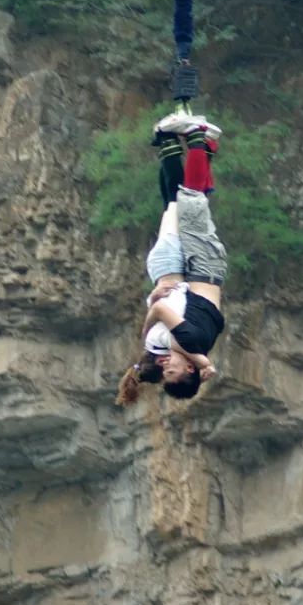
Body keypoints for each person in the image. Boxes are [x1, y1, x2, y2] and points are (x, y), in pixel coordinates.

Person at [116, 110, 227, 405]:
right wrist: (149, 319)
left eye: (164, 373)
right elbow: (163, 313)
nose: (167, 367)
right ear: (187, 368)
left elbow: (167, 320)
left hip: (197, 272)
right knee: (188, 199)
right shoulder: (186, 344)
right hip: (202, 268)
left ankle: (202, 142)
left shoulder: (186, 349)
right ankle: (196, 136)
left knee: (187, 201)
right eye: (173, 372)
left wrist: (203, 364)